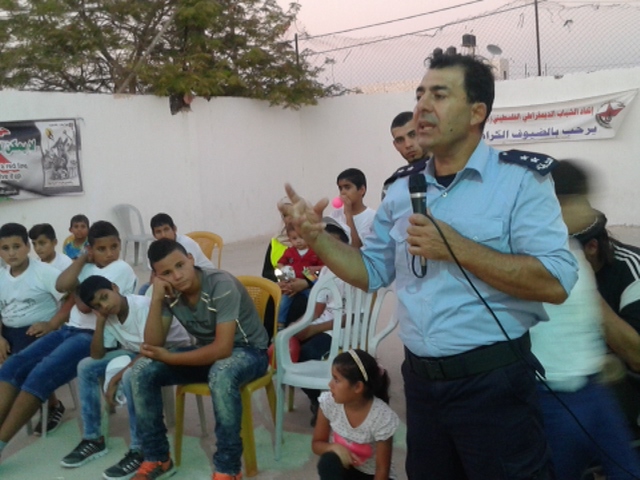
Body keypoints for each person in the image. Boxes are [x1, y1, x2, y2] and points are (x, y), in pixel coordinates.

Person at [282, 52, 578, 479]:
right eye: (419, 95)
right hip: (421, 384)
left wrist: (458, 248)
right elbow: (371, 271)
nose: (422, 107)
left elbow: (556, 281)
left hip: (492, 382)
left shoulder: (519, 180)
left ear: (477, 112)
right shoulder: (401, 189)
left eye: (439, 95)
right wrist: (317, 240)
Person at [530, 160, 640, 479]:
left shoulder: (575, 251)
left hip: (593, 389)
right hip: (553, 395)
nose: (589, 209)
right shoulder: (528, 259)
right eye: (582, 200)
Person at [130, 239, 269, 480]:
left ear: (191, 259)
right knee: (142, 369)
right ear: (157, 277)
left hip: (250, 352)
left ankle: (228, 468)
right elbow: (152, 345)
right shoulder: (168, 293)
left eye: (180, 265)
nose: (177, 276)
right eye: (166, 273)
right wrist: (156, 299)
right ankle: (157, 457)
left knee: (222, 373)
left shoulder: (220, 284)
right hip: (209, 353)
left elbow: (223, 349)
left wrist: (170, 357)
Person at [0, 221, 137, 457]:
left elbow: (84, 306)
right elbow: (63, 286)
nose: (109, 254)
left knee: (40, 373)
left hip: (96, 336)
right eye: (101, 249)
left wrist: (79, 283)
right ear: (90, 249)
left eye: (114, 247)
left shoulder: (120, 268)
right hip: (70, 330)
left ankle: (1, 443)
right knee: (13, 365)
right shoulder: (86, 266)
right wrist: (82, 261)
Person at [60, 275, 190, 480]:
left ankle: (140, 449)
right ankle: (93, 438)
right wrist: (100, 322)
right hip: (137, 352)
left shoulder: (142, 307)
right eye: (97, 306)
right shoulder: (107, 314)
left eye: (105, 297)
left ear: (115, 287)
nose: (104, 306)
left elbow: (151, 349)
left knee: (131, 375)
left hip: (171, 351)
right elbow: (96, 355)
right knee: (86, 366)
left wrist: (115, 379)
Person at [290, 218, 350, 427]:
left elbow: (353, 318)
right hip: (323, 325)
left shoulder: (354, 273)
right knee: (288, 345)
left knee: (307, 353)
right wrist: (298, 326)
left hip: (343, 330)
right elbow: (316, 310)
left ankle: (323, 403)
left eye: (335, 245)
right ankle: (317, 399)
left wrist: (314, 329)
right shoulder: (326, 271)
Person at [312, 349, 399, 480]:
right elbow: (317, 444)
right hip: (346, 470)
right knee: (328, 462)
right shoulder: (328, 402)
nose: (330, 384)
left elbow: (382, 469)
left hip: (372, 475)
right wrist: (334, 447)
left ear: (358, 387)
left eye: (336, 380)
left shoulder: (381, 416)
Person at [262, 199, 312, 334]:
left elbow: (323, 269)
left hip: (308, 288)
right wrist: (283, 282)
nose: (288, 219)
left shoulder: (315, 240)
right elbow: (267, 273)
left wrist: (306, 283)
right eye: (285, 215)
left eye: (292, 214)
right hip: (282, 288)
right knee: (271, 304)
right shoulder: (276, 241)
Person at [276, 223, 323, 330]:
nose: (298, 241)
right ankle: (280, 324)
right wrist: (284, 270)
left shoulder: (314, 251)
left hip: (309, 283)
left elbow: (322, 267)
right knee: (283, 302)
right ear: (289, 239)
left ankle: (313, 319)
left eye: (302, 237)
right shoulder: (289, 252)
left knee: (314, 300)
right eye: (294, 238)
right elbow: (280, 263)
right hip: (292, 283)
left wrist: (313, 274)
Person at [382, 113, 430, 200]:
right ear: (395, 145)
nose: (408, 145)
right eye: (400, 140)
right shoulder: (392, 186)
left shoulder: (448, 170)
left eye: (412, 135)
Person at [329, 168, 376, 249]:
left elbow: (356, 248)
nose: (343, 192)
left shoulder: (373, 217)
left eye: (347, 187)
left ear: (362, 190)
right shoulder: (335, 214)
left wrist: (348, 214)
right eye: (340, 188)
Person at [149, 213, 214, 270]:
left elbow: (188, 270)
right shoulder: (154, 249)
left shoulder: (186, 243)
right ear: (154, 235)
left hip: (206, 275)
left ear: (174, 229)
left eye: (166, 230)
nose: (163, 235)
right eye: (158, 232)